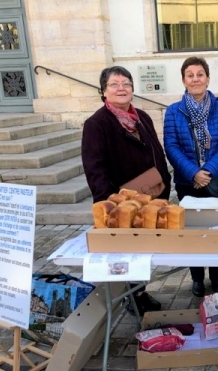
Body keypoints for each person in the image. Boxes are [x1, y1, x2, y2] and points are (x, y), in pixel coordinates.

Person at [81, 65, 171, 316]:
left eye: (126, 84)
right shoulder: (96, 124)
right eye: (114, 84)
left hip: (151, 197)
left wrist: (164, 186)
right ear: (103, 91)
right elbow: (94, 169)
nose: (121, 88)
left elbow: (157, 153)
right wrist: (111, 205)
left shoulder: (142, 116)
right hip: (121, 203)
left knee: (142, 251)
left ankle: (139, 291)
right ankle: (131, 297)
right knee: (125, 253)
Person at [164, 56, 218, 297]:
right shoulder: (174, 112)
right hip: (188, 182)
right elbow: (171, 146)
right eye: (190, 75)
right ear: (184, 80)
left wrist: (209, 172)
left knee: (216, 230)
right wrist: (193, 172)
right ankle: (196, 278)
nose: (195, 79)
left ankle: (216, 277)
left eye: (200, 74)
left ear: (207, 78)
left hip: (216, 182)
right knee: (192, 232)